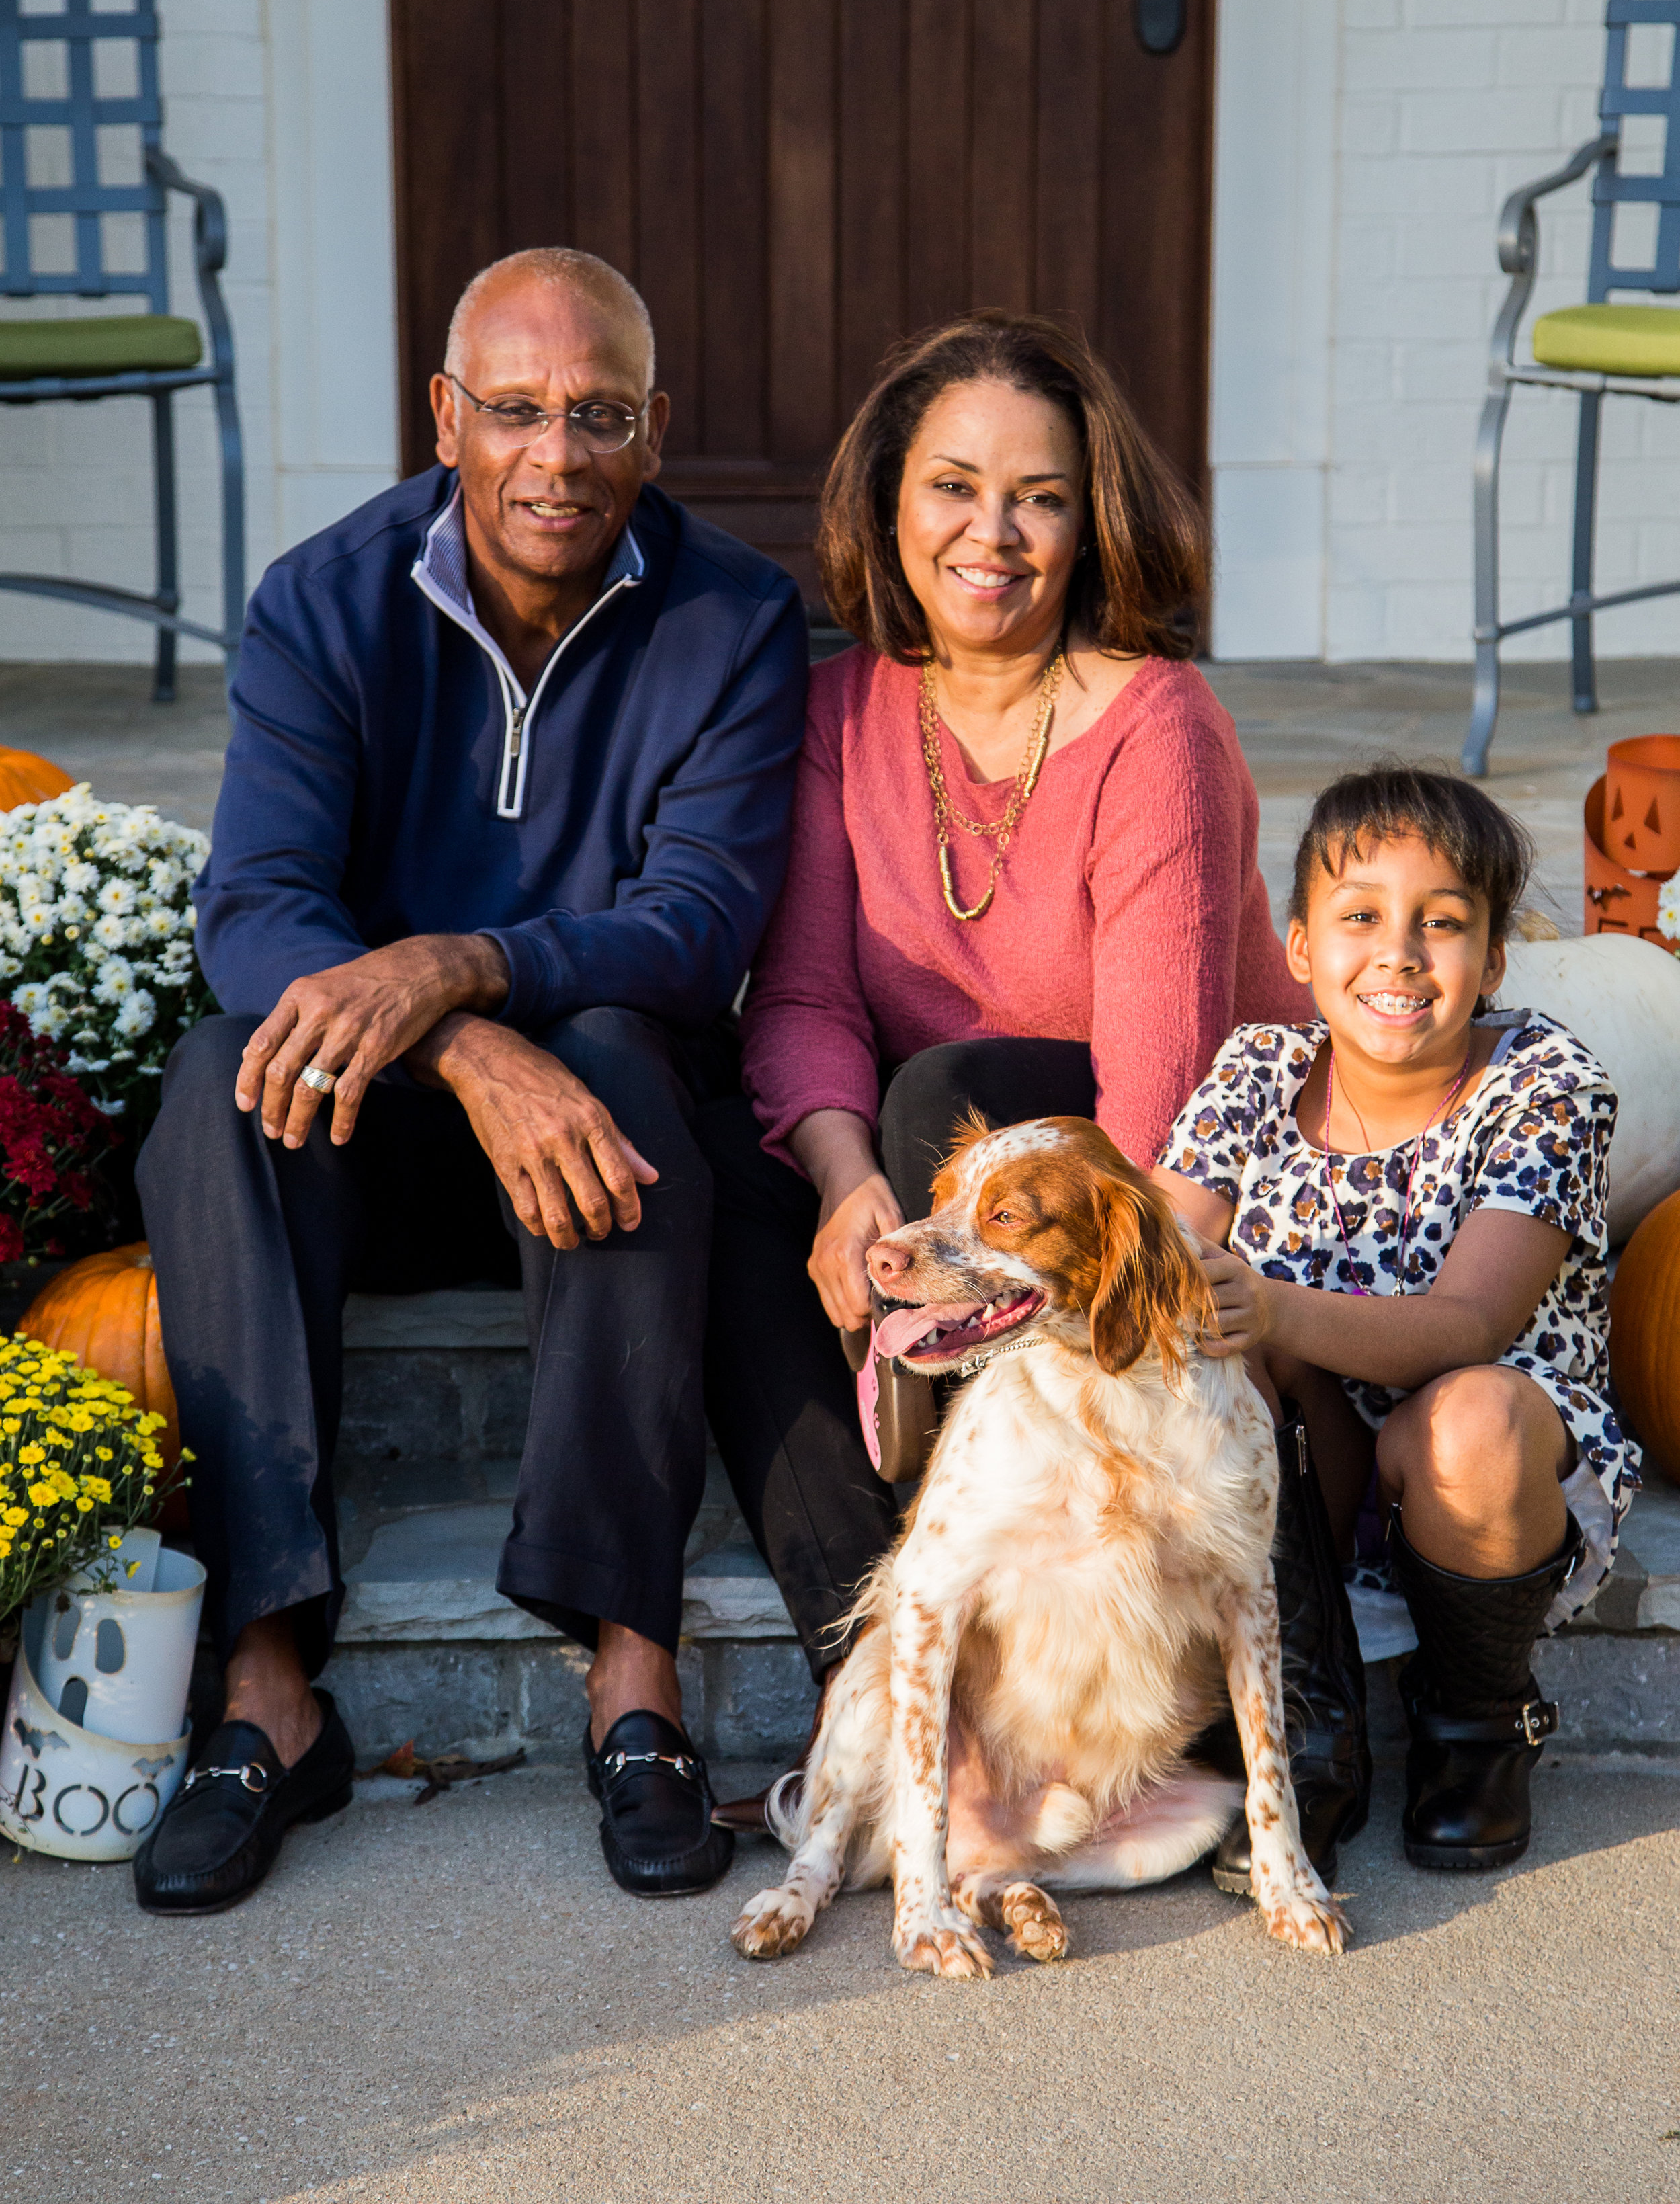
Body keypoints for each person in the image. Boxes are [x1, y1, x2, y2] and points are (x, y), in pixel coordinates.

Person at [133, 247, 814, 1912]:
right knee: (230, 1075)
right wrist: (455, 1028)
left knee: (622, 1067)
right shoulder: (324, 598)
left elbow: (699, 918)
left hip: (594, 1145)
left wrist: (472, 962)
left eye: (596, 415)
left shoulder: (734, 617)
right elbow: (258, 904)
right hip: (361, 1141)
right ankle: (269, 1685)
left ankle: (631, 1678)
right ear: (445, 417)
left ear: (654, 428)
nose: (553, 456)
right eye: (513, 410)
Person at [700, 310, 1315, 1819]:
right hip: (948, 1195)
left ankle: (1254, 1701)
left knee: (933, 1095)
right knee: (731, 1178)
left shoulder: (1151, 724)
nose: (992, 534)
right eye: (952, 487)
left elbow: (1163, 1085)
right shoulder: (840, 711)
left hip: (1158, 1194)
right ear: (886, 504)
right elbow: (797, 1000)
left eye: (1038, 496)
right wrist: (848, 1196)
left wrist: (942, 1214)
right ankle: (904, 1699)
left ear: (1089, 518)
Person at [1157, 765, 1635, 1879]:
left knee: (1465, 1417)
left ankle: (1475, 1721)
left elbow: (1470, 1322)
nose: (1401, 953)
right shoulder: (1258, 1067)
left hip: (1485, 1481)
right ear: (1298, 945)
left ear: (1495, 961)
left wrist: (1264, 1301)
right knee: (1219, 1338)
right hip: (1312, 1462)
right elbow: (1165, 1245)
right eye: (1361, 915)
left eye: (1445, 922)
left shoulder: (1546, 1086)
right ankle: (1302, 1713)